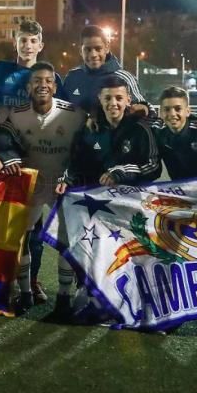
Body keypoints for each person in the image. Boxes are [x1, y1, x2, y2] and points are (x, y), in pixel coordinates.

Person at [57, 77, 161, 322]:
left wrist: (123, 172)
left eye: (118, 98)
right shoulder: (90, 128)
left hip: (132, 204)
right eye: (108, 98)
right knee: (99, 251)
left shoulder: (140, 128)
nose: (113, 103)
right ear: (100, 100)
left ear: (128, 100)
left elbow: (153, 166)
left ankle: (141, 305)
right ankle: (98, 302)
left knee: (134, 254)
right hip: (99, 205)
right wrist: (67, 179)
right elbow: (76, 162)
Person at [2, 62, 85, 313]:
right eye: (37, 81)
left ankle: (63, 297)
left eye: (48, 80)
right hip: (30, 185)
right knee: (21, 239)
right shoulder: (16, 114)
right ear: (29, 86)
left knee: (65, 241)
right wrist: (6, 156)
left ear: (55, 86)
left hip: (61, 185)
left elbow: (84, 146)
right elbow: (4, 142)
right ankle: (26, 293)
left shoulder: (75, 114)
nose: (43, 85)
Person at [62, 25, 148, 117]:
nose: (93, 54)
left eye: (98, 49)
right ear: (80, 51)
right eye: (88, 49)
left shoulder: (124, 78)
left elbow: (143, 112)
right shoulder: (72, 77)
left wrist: (142, 109)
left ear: (107, 48)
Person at [0, 19, 64, 108]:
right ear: (15, 44)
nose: (28, 46)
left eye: (33, 41)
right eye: (23, 40)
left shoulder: (52, 78)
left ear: (40, 46)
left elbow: (60, 111)